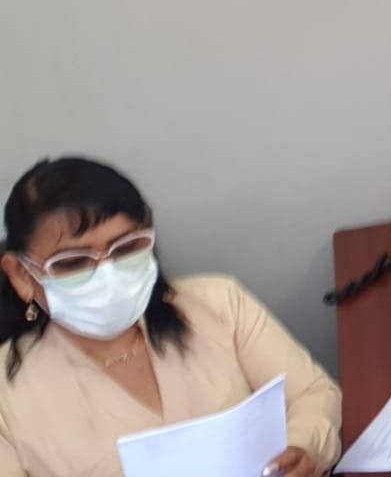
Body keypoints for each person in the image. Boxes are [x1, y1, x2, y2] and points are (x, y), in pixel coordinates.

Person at [0, 157, 341, 476]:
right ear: (21, 275)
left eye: (126, 248)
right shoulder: (7, 396)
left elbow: (313, 393)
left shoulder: (219, 303)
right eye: (73, 262)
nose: (108, 275)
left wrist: (302, 447)